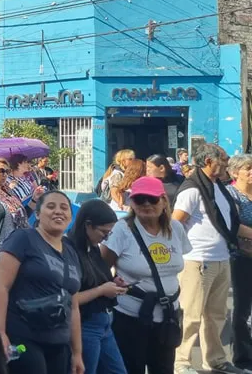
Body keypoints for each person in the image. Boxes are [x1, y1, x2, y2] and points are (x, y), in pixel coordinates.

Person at [172, 144, 252, 374]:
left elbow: (230, 226)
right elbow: (176, 223)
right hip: (198, 259)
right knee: (191, 314)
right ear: (208, 161)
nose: (227, 164)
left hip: (221, 258)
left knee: (216, 315)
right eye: (223, 160)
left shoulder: (219, 188)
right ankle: (182, 362)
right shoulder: (192, 190)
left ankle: (215, 361)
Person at [102, 176, 190, 374]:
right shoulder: (122, 229)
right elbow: (101, 266)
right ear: (131, 202)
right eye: (140, 199)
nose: (146, 204)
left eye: (152, 199)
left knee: (164, 369)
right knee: (131, 368)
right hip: (131, 317)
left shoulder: (175, 228)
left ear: (164, 201)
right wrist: (111, 282)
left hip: (168, 317)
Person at [0, 191, 83, 374]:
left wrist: (77, 352)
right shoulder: (23, 239)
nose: (58, 211)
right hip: (24, 337)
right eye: (51, 206)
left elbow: (73, 306)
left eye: (64, 208)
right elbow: (1, 287)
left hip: (59, 342)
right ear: (39, 214)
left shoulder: (71, 252)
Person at [68, 199, 127, 374]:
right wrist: (101, 290)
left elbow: (96, 280)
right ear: (87, 225)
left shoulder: (92, 248)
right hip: (86, 326)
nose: (105, 238)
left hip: (104, 322)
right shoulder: (70, 250)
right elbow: (70, 299)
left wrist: (113, 284)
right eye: (103, 232)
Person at [227, 154, 252, 370]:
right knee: (242, 309)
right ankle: (243, 357)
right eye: (248, 169)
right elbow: (232, 225)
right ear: (235, 173)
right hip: (241, 258)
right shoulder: (231, 195)